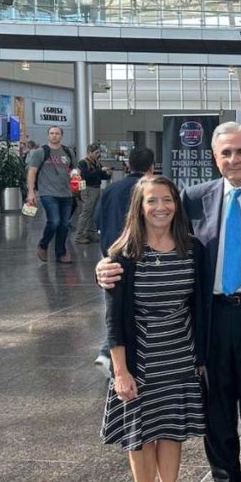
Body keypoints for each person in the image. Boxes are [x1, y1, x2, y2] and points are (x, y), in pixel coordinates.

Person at [95, 122, 241, 482]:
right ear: (214, 157)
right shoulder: (193, 198)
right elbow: (147, 237)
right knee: (217, 407)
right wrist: (105, 266)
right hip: (209, 319)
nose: (233, 160)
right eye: (225, 153)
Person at [100, 175, 207, 482]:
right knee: (141, 437)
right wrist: (121, 371)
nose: (160, 207)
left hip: (179, 355)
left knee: (171, 431)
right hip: (139, 359)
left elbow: (201, 306)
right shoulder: (123, 255)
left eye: (167, 200)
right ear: (139, 207)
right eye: (152, 201)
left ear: (176, 204)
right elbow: (114, 320)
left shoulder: (192, 249)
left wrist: (200, 357)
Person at [93, 147, 157, 375]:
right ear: (152, 167)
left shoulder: (111, 189)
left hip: (112, 254)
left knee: (115, 306)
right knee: (135, 306)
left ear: (128, 165)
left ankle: (107, 351)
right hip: (141, 255)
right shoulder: (152, 191)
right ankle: (108, 351)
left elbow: (97, 220)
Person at [26, 126, 76, 264]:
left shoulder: (68, 152)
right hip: (47, 192)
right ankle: (43, 245)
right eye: (52, 133)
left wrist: (77, 184)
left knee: (64, 224)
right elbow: (32, 172)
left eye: (57, 133)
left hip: (66, 193)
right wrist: (31, 192)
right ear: (48, 135)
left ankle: (61, 252)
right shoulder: (40, 152)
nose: (54, 136)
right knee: (54, 221)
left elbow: (74, 171)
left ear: (61, 135)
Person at [75, 143, 111, 244]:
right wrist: (100, 171)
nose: (98, 155)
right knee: (86, 212)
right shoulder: (83, 163)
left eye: (99, 152)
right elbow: (86, 176)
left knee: (93, 212)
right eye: (96, 153)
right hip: (88, 189)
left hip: (96, 188)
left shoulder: (96, 162)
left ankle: (89, 232)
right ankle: (79, 235)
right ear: (89, 152)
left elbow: (101, 176)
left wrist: (107, 174)